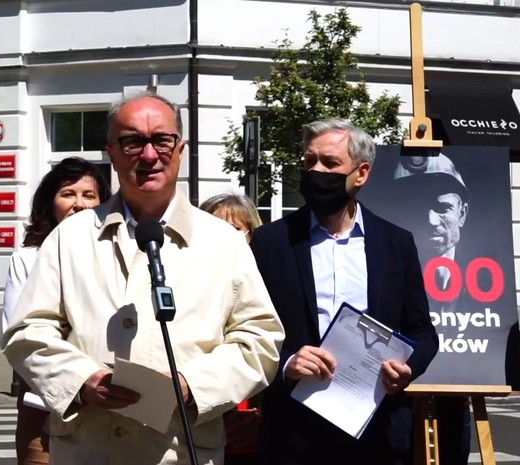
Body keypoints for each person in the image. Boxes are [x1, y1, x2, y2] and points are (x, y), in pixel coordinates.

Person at [4, 92, 284, 465]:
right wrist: (81, 380)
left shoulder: (223, 242)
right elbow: (28, 331)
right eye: (132, 141)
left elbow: (259, 339)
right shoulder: (69, 237)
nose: (149, 155)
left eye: (162, 140)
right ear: (111, 152)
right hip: (90, 449)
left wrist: (193, 386)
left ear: (181, 149)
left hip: (179, 451)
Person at [250, 118, 438, 465]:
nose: (316, 171)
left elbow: (423, 332)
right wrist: (288, 363)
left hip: (376, 433)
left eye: (330, 163)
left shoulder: (395, 243)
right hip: (293, 433)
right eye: (310, 161)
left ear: (361, 173)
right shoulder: (270, 242)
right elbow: (248, 330)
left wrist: (407, 368)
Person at [2, 157, 111, 465]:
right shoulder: (28, 258)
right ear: (50, 203)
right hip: (45, 404)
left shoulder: (116, 255)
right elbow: (18, 332)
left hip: (108, 402)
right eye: (68, 194)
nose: (79, 204)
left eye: (89, 195)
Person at [392, 152, 472, 465]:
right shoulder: (380, 269)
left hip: (453, 397)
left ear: (462, 213)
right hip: (394, 400)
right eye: (417, 205)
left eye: (442, 207)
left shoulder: (487, 280)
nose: (429, 219)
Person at [199, 193, 263, 465]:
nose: (224, 236)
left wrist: (263, 420)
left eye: (235, 229)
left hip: (253, 440)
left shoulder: (265, 287)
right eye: (215, 226)